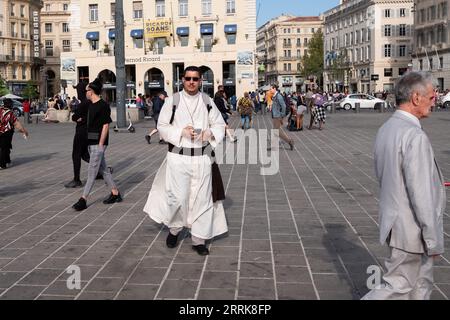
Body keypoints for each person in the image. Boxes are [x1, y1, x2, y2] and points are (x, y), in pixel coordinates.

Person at [362, 72, 445, 300]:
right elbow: (422, 195)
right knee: (396, 286)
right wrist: (433, 239)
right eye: (431, 96)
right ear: (416, 98)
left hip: (396, 224)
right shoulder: (414, 136)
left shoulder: (387, 129)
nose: (434, 100)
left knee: (420, 287)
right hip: (412, 230)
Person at [143, 66, 228, 256]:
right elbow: (162, 126)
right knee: (177, 197)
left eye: (195, 79)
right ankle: (174, 229)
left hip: (202, 158)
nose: (191, 82)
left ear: (200, 81)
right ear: (182, 80)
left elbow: (220, 125)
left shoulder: (207, 101)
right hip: (178, 157)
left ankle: (199, 239)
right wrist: (181, 132)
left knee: (203, 199)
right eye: (188, 78)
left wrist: (209, 133)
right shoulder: (172, 101)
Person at [72, 78, 122, 211]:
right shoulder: (90, 104)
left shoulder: (103, 105)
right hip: (91, 141)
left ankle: (83, 199)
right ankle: (115, 193)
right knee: (104, 170)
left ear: (92, 91)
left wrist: (101, 145)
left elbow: (106, 125)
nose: (85, 92)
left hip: (99, 143)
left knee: (91, 172)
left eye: (87, 90)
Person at [0, 99, 29, 169]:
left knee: (5, 147)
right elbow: (17, 124)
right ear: (11, 105)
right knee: (4, 148)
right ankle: (2, 164)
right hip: (6, 133)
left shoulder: (0, 110)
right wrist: (24, 131)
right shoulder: (10, 113)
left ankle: (7, 161)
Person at [268, 84, 294, 150]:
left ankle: (289, 141)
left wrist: (282, 115)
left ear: (274, 89)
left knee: (276, 131)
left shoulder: (278, 96)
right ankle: (276, 145)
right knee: (276, 131)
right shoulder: (274, 96)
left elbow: (284, 106)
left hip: (277, 116)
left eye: (271, 88)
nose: (270, 90)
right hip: (275, 116)